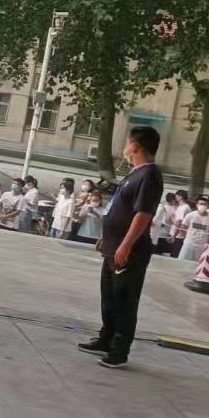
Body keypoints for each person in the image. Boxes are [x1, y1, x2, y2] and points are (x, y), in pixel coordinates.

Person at [78, 125, 163, 369]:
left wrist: (126, 245)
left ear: (135, 146)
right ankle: (106, 338)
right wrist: (107, 237)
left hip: (129, 251)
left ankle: (119, 350)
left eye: (127, 142)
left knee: (124, 301)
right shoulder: (134, 173)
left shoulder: (149, 175)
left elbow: (143, 214)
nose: (125, 147)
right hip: (113, 246)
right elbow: (119, 208)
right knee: (109, 297)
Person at [177, 196, 209, 260]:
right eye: (201, 204)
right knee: (182, 262)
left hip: (201, 247)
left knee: (197, 264)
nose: (203, 206)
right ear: (197, 205)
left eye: (205, 204)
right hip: (189, 245)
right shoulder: (190, 215)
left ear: (208, 205)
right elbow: (182, 228)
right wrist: (188, 238)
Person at [168, 190, 191, 256]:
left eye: (177, 195)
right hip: (175, 234)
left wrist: (173, 236)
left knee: (175, 255)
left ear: (181, 197)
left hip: (179, 236)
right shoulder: (180, 207)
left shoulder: (185, 207)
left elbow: (179, 222)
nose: (176, 197)